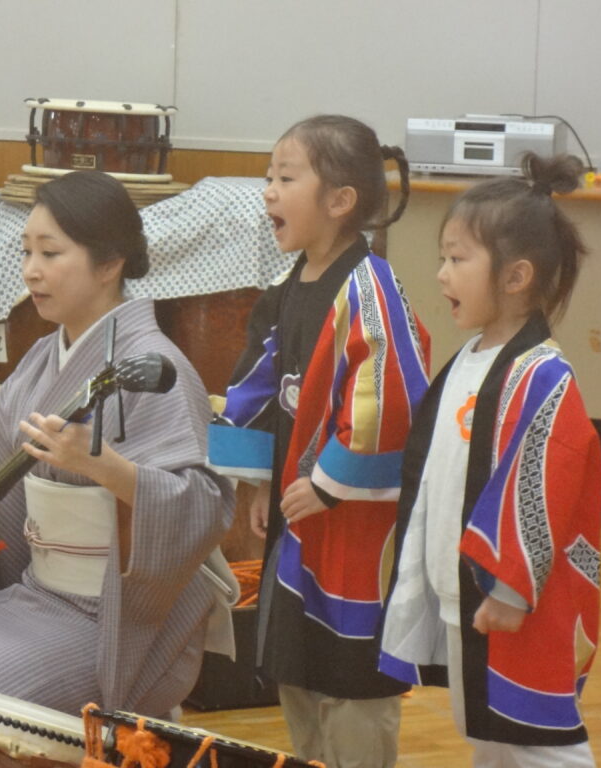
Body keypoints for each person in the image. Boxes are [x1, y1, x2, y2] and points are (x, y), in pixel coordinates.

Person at [0, 170, 234, 718]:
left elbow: (202, 507)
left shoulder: (159, 370)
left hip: (111, 622)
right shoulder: (41, 358)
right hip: (36, 596)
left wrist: (105, 468)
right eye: (26, 251)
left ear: (110, 263)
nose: (31, 270)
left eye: (50, 253)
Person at [206, 115, 431, 768]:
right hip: (299, 514)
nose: (268, 191)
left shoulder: (372, 290)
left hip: (355, 521)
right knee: (297, 667)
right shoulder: (286, 290)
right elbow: (256, 383)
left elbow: (391, 398)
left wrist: (330, 482)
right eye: (268, 177)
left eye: (285, 178)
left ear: (339, 200)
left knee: (351, 678)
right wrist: (258, 479)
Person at [378, 153, 601, 767]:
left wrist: (510, 587)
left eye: (457, 259)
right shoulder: (470, 360)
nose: (442, 274)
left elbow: (546, 480)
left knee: (539, 737)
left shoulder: (543, 375)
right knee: (488, 732)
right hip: (467, 593)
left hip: (518, 600)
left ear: (515, 276)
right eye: (443, 258)